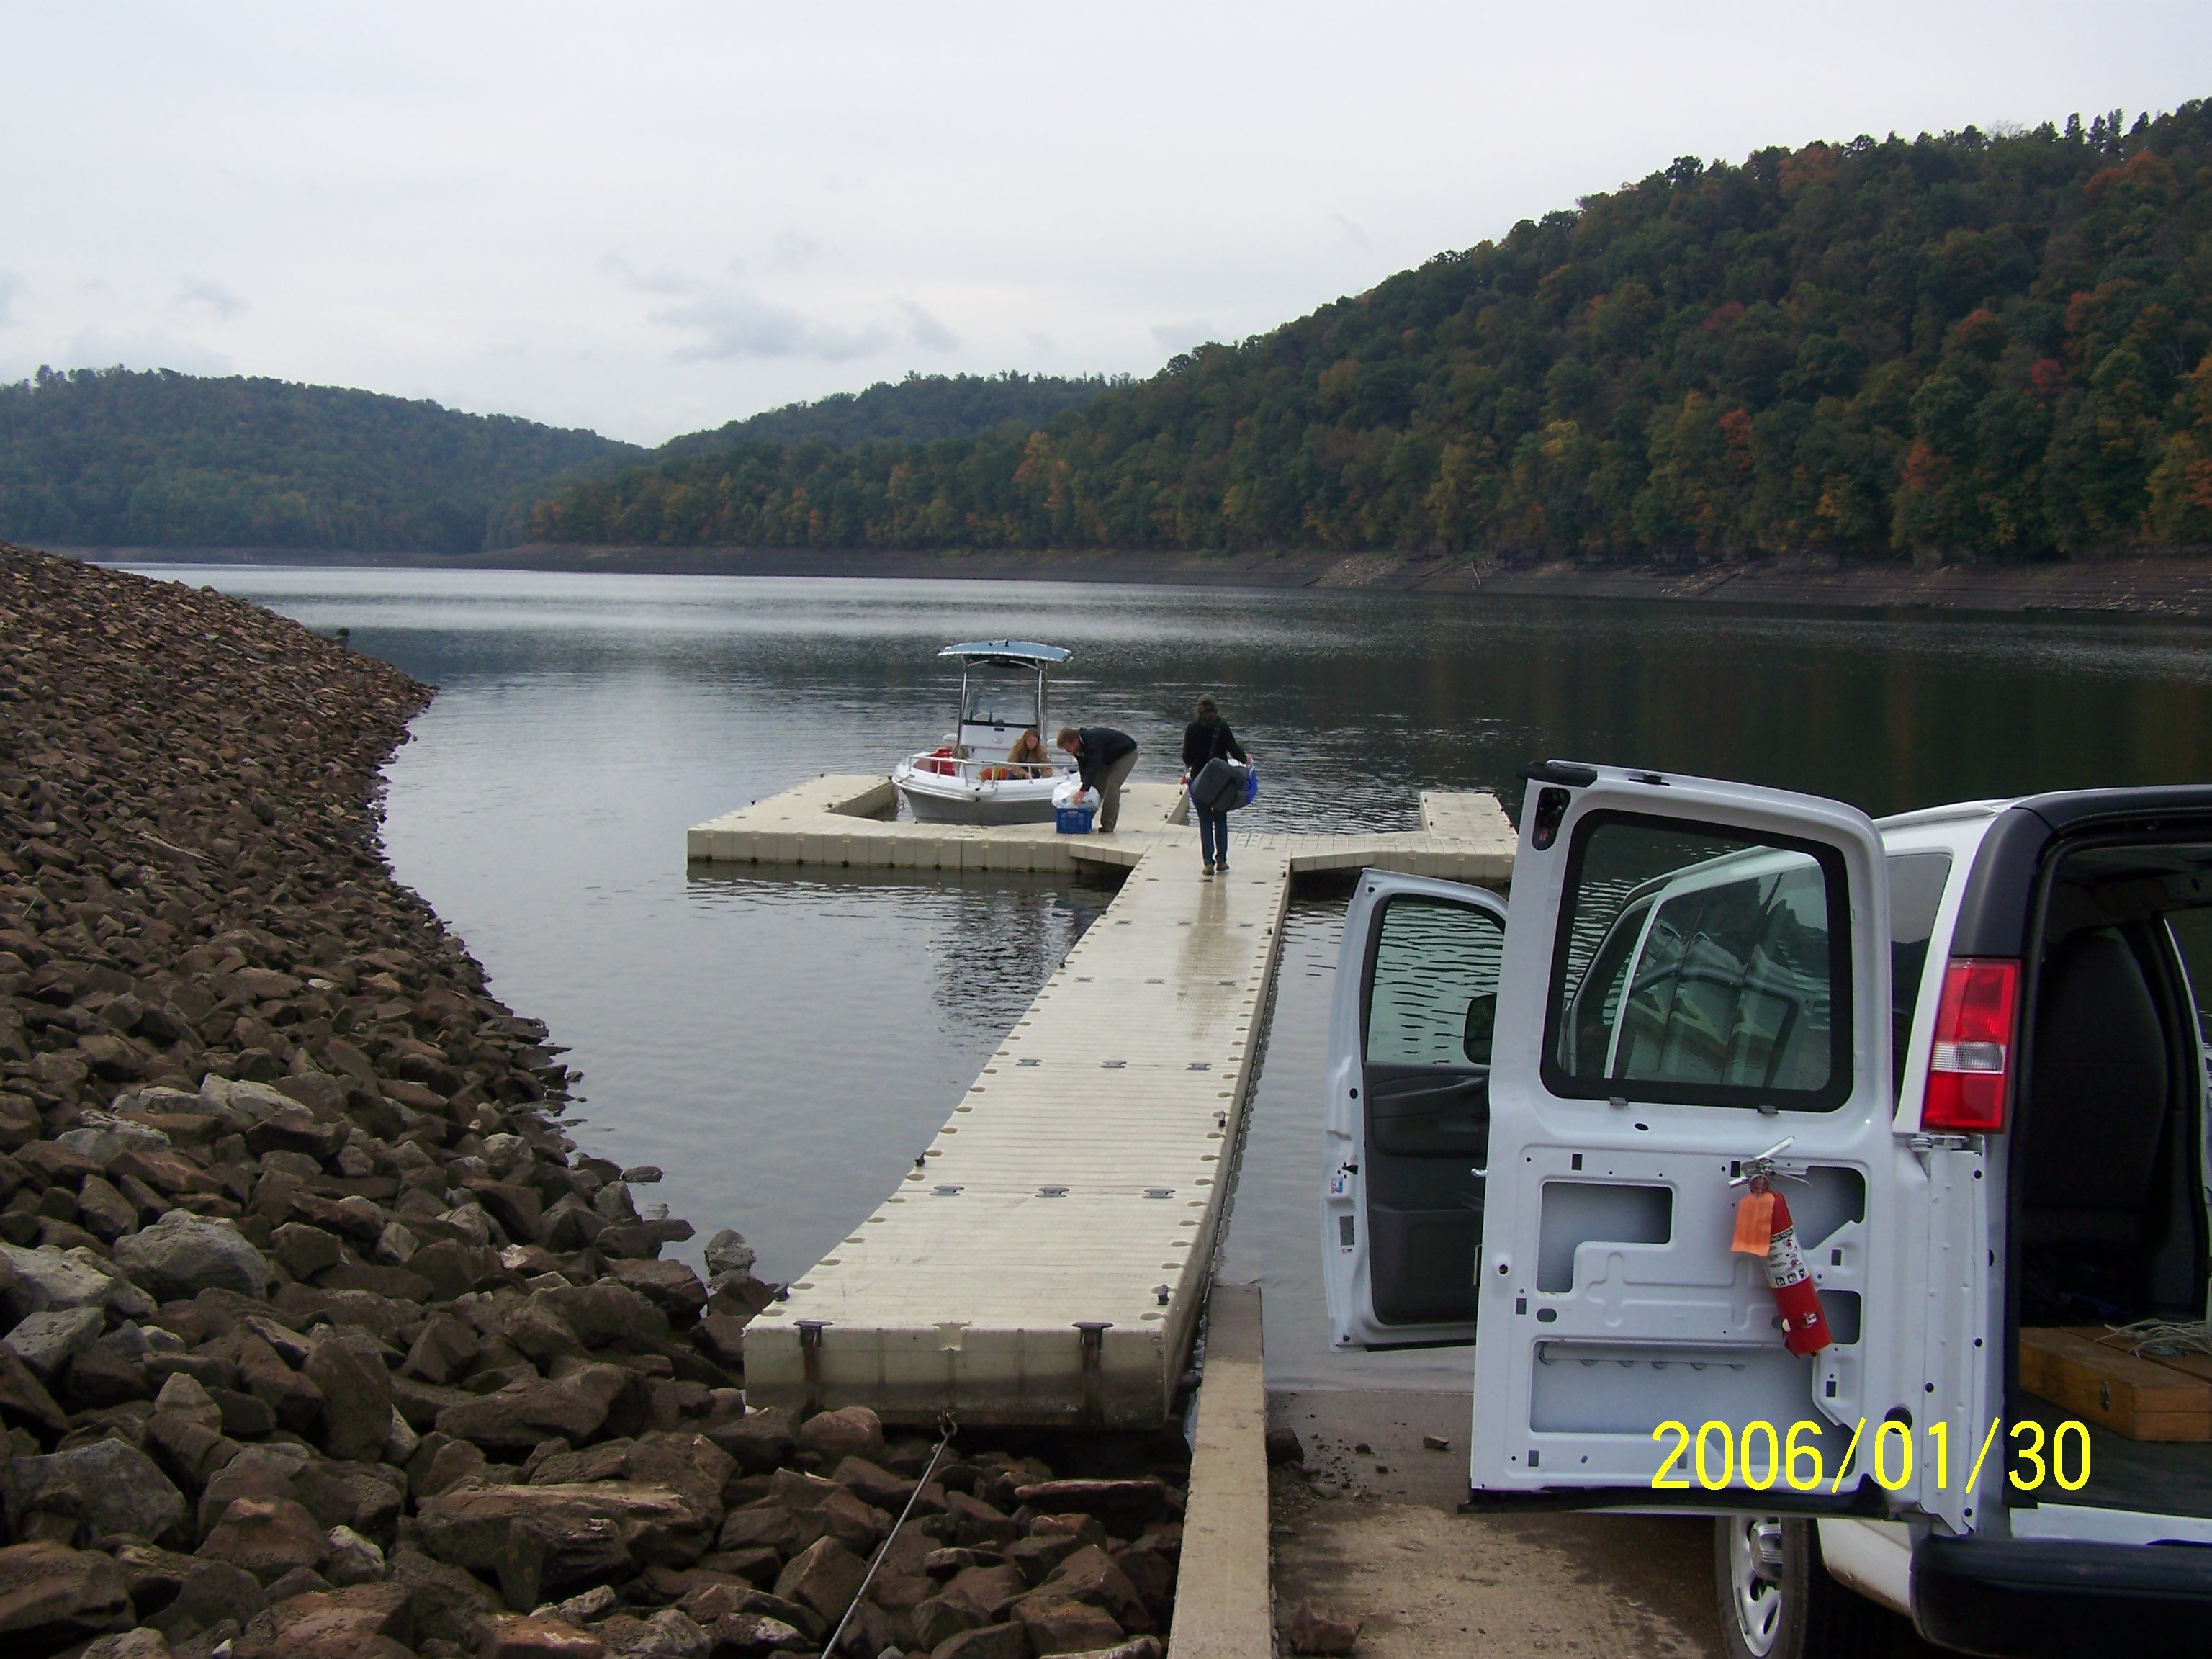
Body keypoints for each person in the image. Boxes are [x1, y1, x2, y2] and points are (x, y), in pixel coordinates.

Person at [1182, 693, 1249, 876]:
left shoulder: (1192, 729)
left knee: (1205, 821)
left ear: (1198, 709)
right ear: (1216, 709)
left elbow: (1186, 758)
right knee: (1220, 819)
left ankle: (1207, 864)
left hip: (1198, 781)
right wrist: (1246, 759)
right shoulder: (1222, 727)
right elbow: (1234, 750)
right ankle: (1222, 861)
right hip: (1220, 782)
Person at [1056, 725, 1138, 832]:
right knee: (1095, 788)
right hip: (1106, 758)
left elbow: (1093, 767)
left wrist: (1083, 791)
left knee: (1112, 786)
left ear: (1074, 742)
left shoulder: (1093, 740)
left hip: (1125, 754)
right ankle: (1085, 820)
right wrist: (1083, 786)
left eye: (1068, 748)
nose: (1068, 752)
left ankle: (1108, 825)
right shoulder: (1077, 749)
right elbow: (1083, 768)